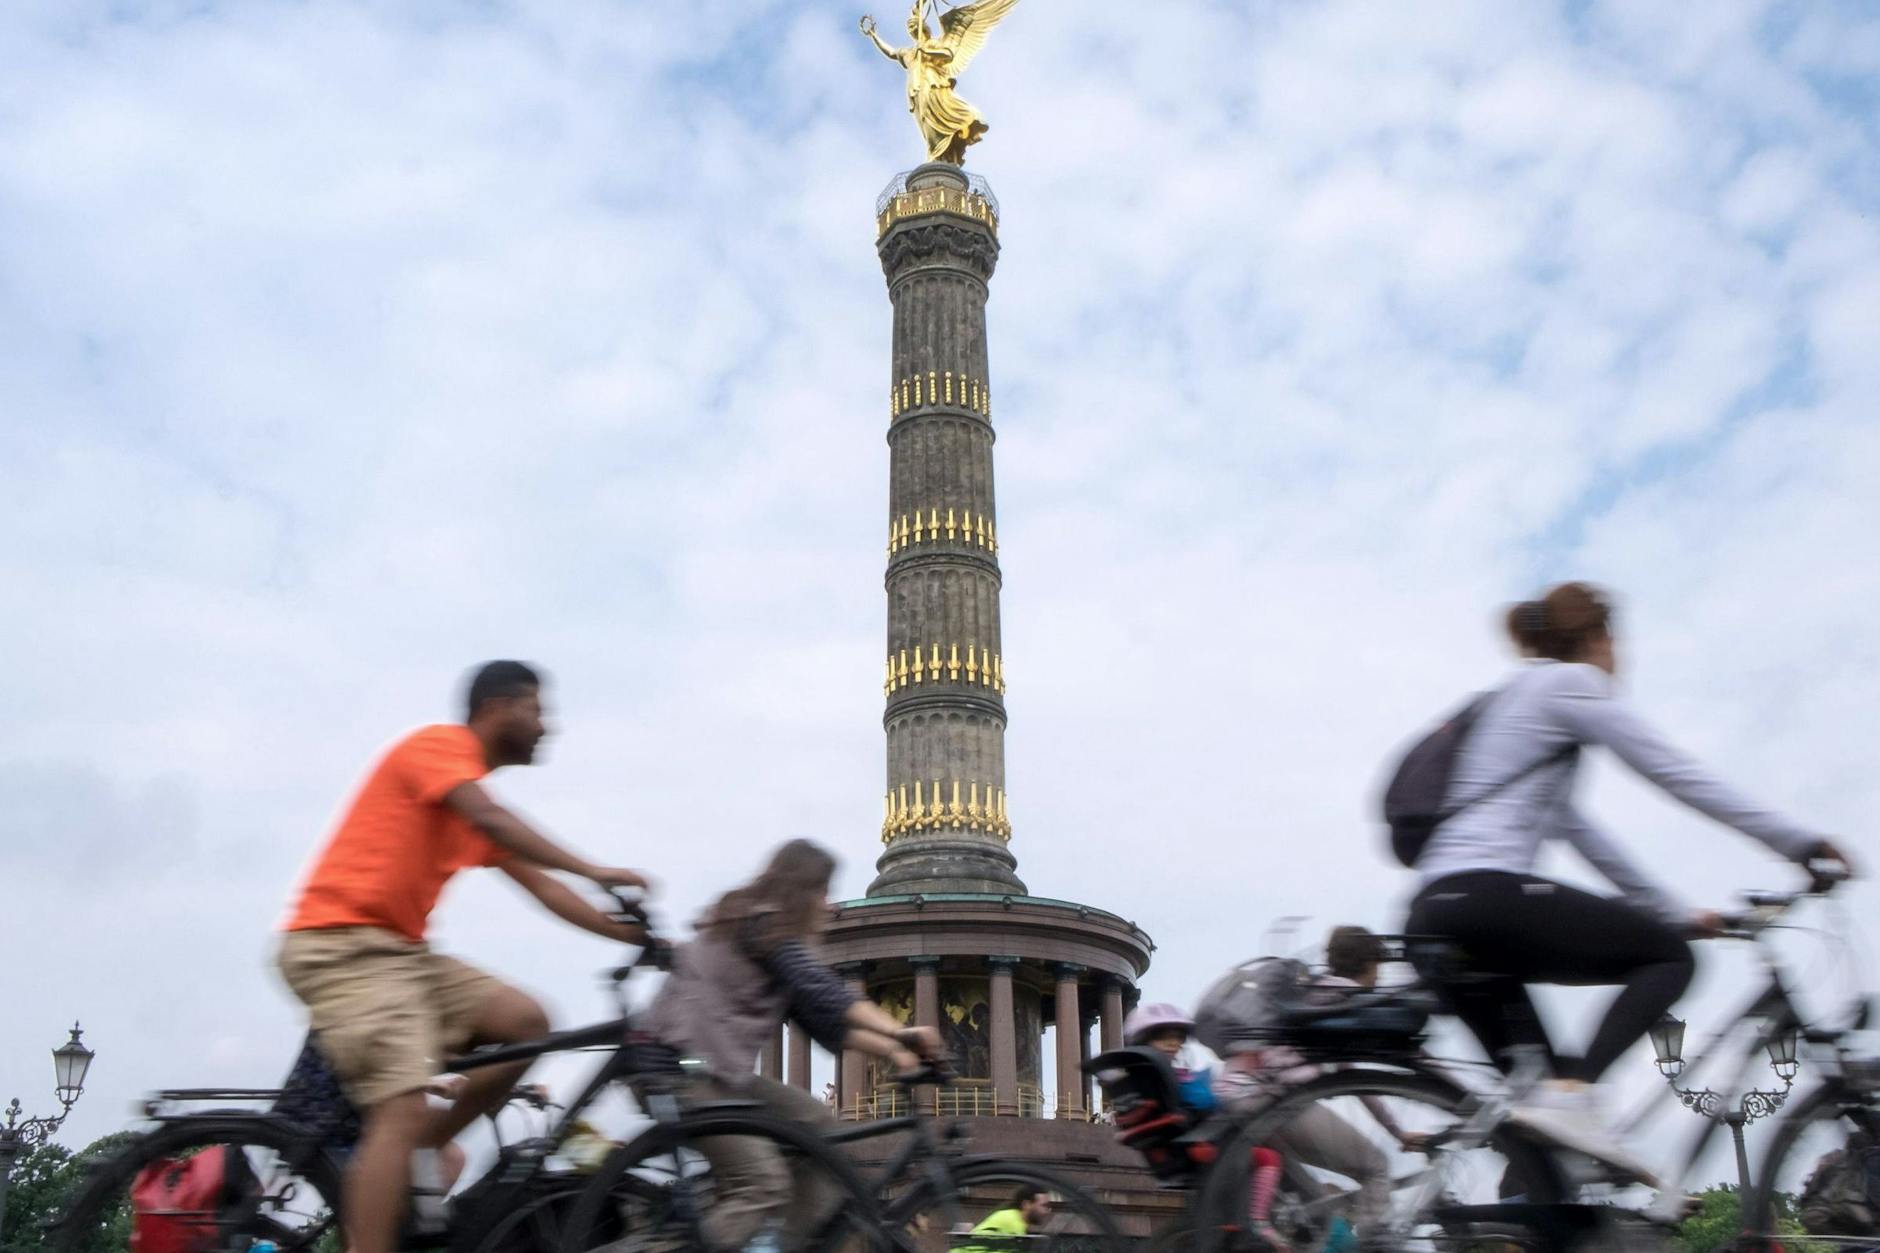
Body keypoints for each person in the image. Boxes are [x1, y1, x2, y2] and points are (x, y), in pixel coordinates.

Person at [1403, 583, 1854, 1177]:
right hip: (1485, 897)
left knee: (1543, 1114)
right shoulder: (1571, 683)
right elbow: (1677, 774)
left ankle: (1540, 1203)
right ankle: (1574, 1098)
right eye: (1616, 640)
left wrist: (1673, 909)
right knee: (1668, 960)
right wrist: (1797, 842)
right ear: (1598, 638)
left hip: (1434, 914)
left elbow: (1581, 832)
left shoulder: (1515, 700)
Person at [276, 661, 649, 1253]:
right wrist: (594, 868)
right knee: (398, 1108)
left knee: (527, 1022)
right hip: (340, 944)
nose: (546, 726)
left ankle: (417, 1151)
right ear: (497, 707)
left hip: (400, 955)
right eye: (537, 709)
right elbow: (492, 818)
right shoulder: (437, 751)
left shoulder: (469, 799)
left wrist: (640, 939)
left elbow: (544, 889)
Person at [645, 839, 944, 1251]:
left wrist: (896, 1052)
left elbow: (827, 1023)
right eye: (822, 892)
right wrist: (901, 1032)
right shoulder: (762, 924)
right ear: (801, 891)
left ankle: (795, 1244)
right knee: (764, 1185)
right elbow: (825, 991)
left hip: (714, 1071)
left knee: (824, 1130)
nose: (828, 903)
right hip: (678, 1068)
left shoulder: (769, 936)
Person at [1214, 927, 1421, 1248]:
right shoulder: (1343, 996)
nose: (1378, 978)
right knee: (1376, 1168)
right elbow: (1360, 1081)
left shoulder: (1307, 993)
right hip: (1276, 1100)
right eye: (1378, 967)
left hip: (1234, 1101)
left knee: (1312, 1208)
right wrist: (1398, 1132)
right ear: (1369, 964)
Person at [963, 1185, 1054, 1250]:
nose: (1048, 1211)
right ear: (1027, 1204)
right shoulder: (1013, 1223)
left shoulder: (1011, 1217)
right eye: (1044, 1206)